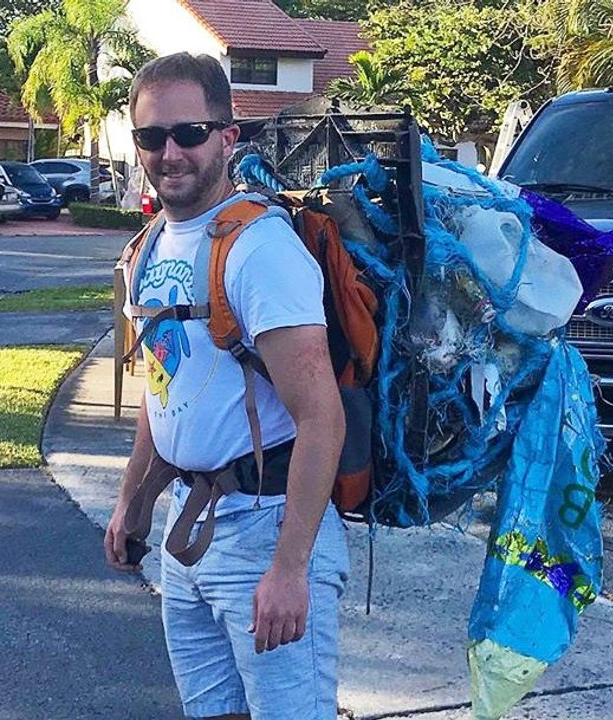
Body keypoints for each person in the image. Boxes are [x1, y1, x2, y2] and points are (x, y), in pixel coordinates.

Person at [103, 52, 349, 720]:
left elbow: (322, 419)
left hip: (268, 530)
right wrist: (135, 500)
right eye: (151, 137)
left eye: (189, 133)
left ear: (227, 137)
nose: (170, 152)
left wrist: (291, 569)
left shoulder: (258, 249)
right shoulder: (151, 245)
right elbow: (166, 389)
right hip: (194, 533)